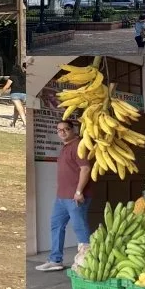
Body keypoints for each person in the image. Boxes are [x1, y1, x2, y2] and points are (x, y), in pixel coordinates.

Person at [37, 117, 93, 272]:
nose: (62, 132)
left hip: (75, 197)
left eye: (66, 129)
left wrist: (79, 191)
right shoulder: (65, 147)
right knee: (56, 226)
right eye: (59, 130)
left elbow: (85, 169)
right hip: (61, 197)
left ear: (73, 130)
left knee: (80, 228)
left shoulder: (79, 146)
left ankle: (87, 262)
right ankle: (55, 260)